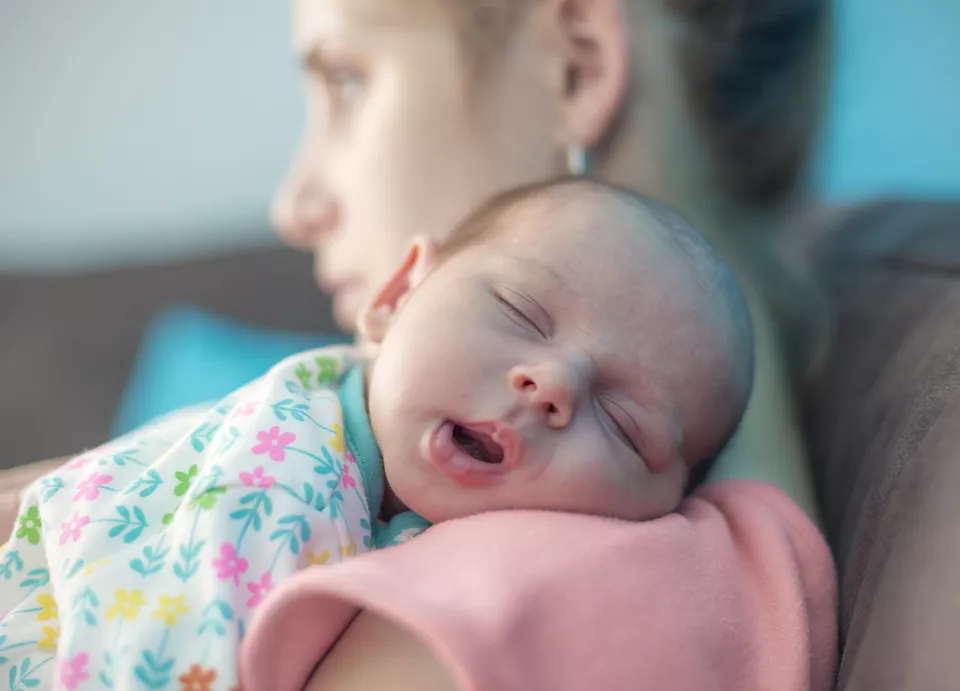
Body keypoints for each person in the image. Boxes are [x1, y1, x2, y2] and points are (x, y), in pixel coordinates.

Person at [2, 0, 834, 689]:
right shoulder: (366, 442)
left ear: (576, 64)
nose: (294, 204)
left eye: (346, 79)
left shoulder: (601, 579)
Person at [0, 180, 771, 690]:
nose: (556, 383)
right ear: (398, 293)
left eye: (627, 426)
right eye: (521, 312)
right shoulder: (288, 429)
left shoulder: (497, 583)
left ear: (663, 506)